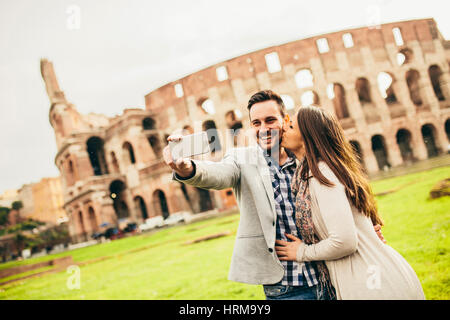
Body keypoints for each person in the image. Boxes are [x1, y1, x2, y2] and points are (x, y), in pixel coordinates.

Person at [163, 90, 385, 300]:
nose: (263, 128)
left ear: (285, 120)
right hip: (286, 287)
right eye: (256, 123)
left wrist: (365, 229)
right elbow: (215, 174)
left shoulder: (306, 158)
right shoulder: (242, 159)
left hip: (332, 275)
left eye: (270, 120)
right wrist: (185, 167)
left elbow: (339, 200)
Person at [276, 105, 425, 299]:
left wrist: (302, 252)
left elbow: (345, 241)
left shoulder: (322, 175)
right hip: (371, 275)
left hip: (372, 283)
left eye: (291, 127)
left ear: (308, 138)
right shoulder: (311, 173)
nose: (283, 129)